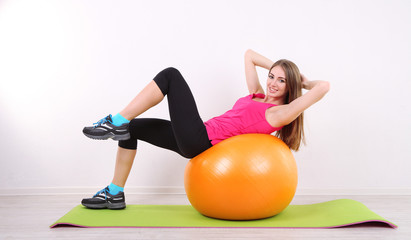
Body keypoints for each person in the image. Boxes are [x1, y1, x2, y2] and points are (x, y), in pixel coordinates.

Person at [81, 49, 330, 209]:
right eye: (272, 76)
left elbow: (324, 87)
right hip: (196, 136)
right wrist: (281, 67)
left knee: (171, 76)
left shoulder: (279, 114)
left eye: (282, 80)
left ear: (291, 86)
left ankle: (116, 119)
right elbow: (249, 55)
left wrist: (303, 80)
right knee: (132, 130)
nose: (273, 83)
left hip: (201, 141)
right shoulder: (256, 95)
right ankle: (114, 193)